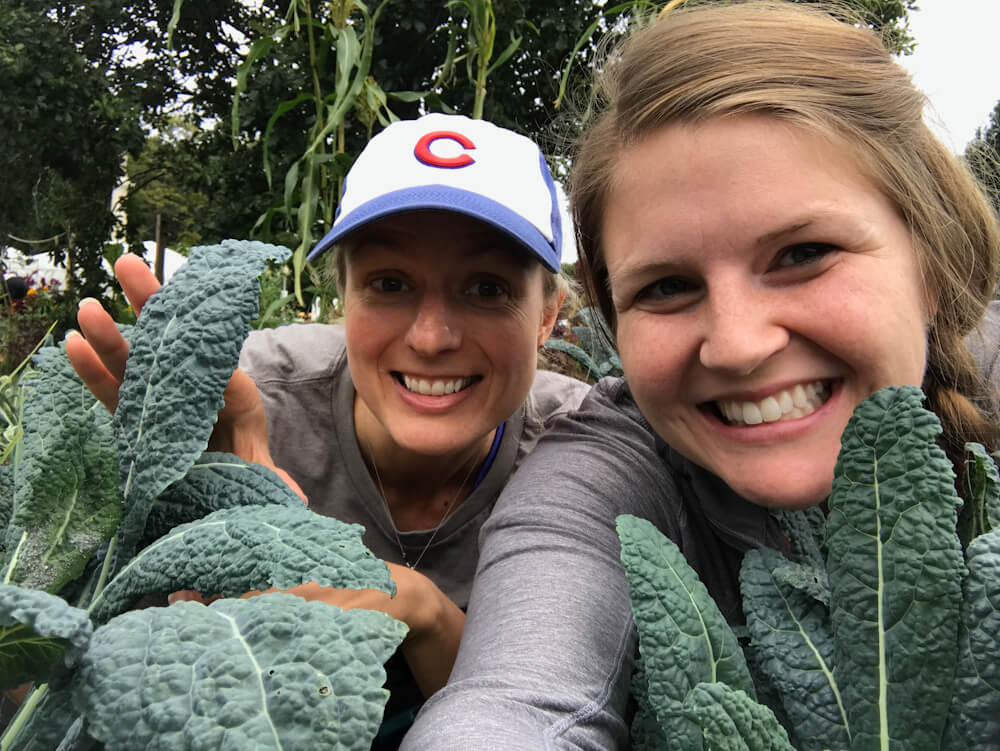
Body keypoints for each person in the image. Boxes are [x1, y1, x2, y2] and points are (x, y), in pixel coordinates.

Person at [401, 2, 1000, 748]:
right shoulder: (604, 479)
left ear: (931, 260)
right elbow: (519, 700)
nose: (740, 345)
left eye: (803, 253)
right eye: (666, 287)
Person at [65, 113, 590, 748]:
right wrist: (171, 508)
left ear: (548, 316)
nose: (431, 337)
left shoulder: (584, 454)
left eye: (486, 288)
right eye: (389, 284)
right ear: (343, 295)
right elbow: (63, 676)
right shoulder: (237, 404)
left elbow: (558, 716)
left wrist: (420, 609)